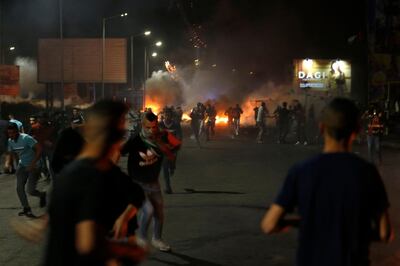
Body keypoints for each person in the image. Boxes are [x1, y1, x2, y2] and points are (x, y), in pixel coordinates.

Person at [261, 98, 393, 266]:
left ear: (321, 128)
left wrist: (303, 221)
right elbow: (385, 233)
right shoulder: (367, 172)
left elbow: (269, 225)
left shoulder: (301, 171)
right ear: (357, 130)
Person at [43, 100, 147, 266]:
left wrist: (124, 218)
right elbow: (87, 246)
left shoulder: (102, 170)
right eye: (121, 129)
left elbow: (136, 193)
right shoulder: (88, 176)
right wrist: (128, 251)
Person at [121, 111, 181, 252]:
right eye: (148, 127)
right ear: (142, 125)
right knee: (148, 210)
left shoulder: (162, 135)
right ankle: (141, 238)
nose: (151, 130)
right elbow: (121, 151)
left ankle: (157, 239)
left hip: (153, 182)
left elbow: (176, 145)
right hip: (137, 183)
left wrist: (165, 139)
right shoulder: (136, 139)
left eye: (154, 127)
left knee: (159, 212)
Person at [7, 122, 46, 218]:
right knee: (19, 188)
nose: (11, 135)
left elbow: (40, 149)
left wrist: (33, 164)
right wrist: (9, 163)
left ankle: (42, 195)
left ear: (17, 131)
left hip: (35, 166)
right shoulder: (10, 141)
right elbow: (11, 153)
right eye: (9, 133)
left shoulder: (26, 138)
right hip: (22, 165)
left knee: (30, 190)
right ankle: (26, 208)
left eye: (12, 133)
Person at [159, 109, 183, 194]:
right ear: (163, 115)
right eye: (166, 115)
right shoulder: (160, 124)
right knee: (165, 167)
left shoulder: (176, 124)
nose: (167, 116)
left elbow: (179, 135)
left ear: (171, 116)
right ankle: (168, 187)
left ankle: (172, 167)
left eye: (169, 115)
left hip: (173, 147)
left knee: (172, 164)